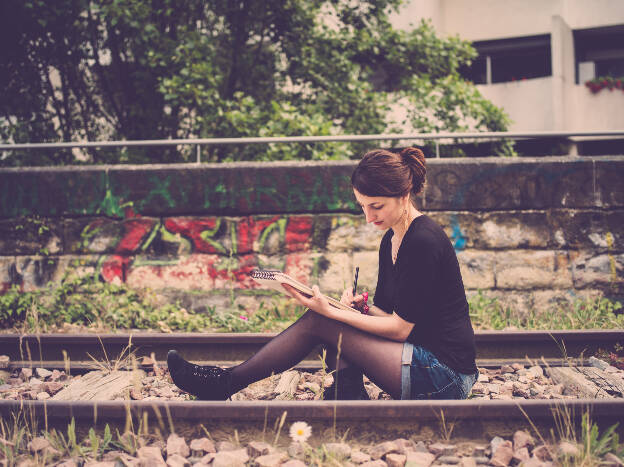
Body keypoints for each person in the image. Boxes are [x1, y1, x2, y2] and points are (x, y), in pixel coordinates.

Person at [167, 147, 478, 401]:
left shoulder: (423, 240)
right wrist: (359, 308)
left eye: (376, 207)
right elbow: (386, 315)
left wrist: (332, 312)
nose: (368, 217)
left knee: (322, 320)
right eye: (362, 206)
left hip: (445, 377)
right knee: (331, 317)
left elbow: (398, 329)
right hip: (419, 357)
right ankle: (347, 394)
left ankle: (225, 383)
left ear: (404, 194)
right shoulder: (392, 239)